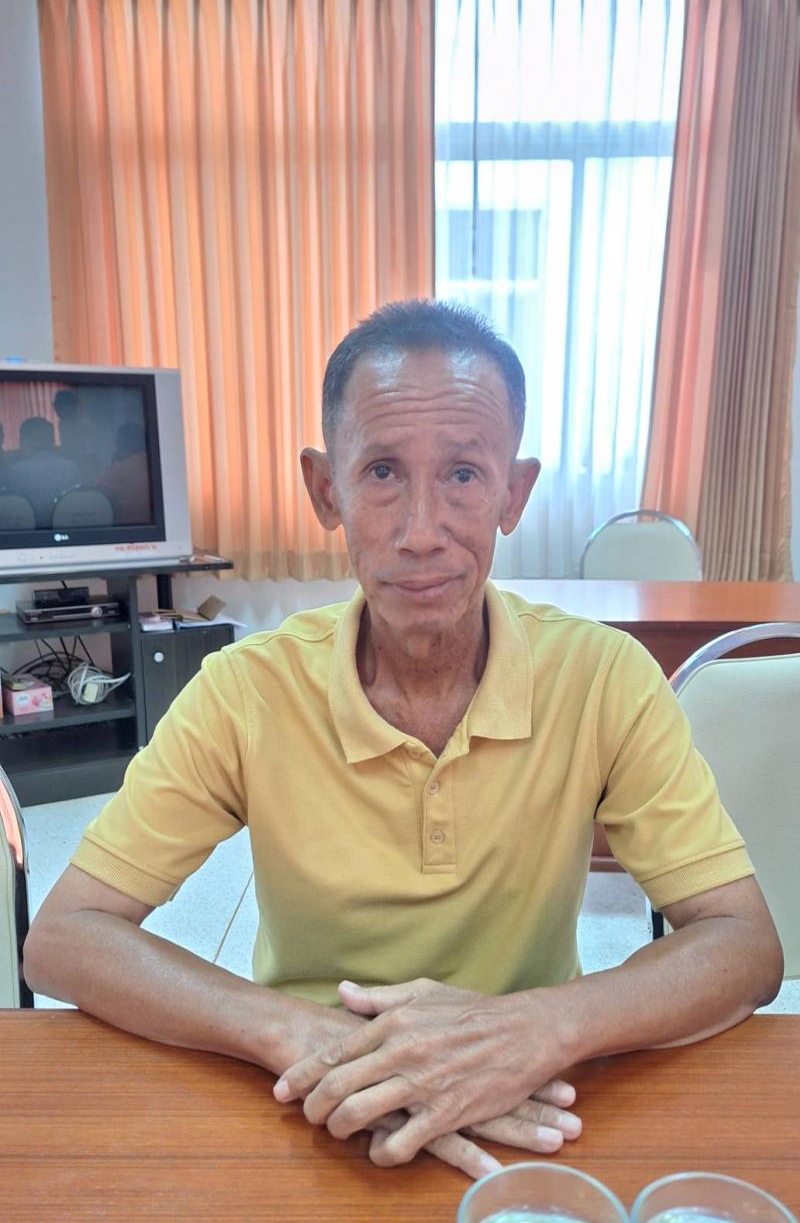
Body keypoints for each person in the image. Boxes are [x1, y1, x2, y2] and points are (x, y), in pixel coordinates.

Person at [24, 301, 783, 1179]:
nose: (423, 532)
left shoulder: (604, 676)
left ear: (513, 493)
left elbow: (743, 943)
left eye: (463, 473)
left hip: (538, 1101)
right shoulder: (246, 690)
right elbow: (66, 937)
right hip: (308, 1101)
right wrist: (297, 1033)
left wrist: (540, 1025)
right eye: (382, 471)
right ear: (326, 489)